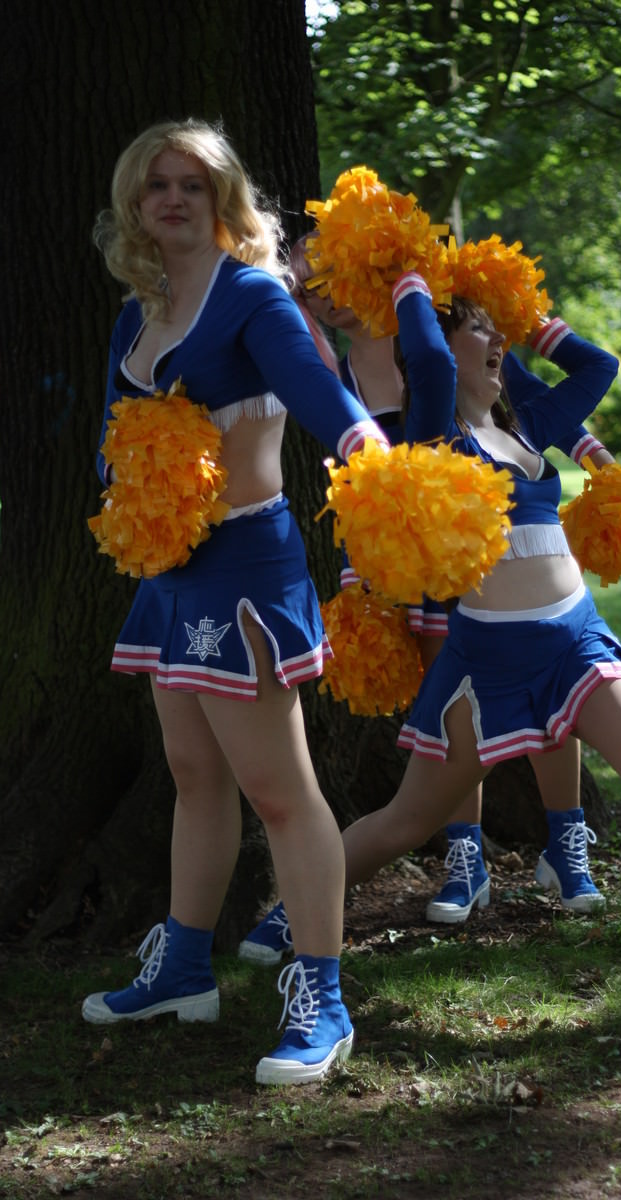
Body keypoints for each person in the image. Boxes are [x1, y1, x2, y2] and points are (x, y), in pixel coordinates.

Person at [332, 268, 621, 1024]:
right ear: (442, 347)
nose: (496, 339)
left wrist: (527, 319)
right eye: (478, 329)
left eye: (497, 330)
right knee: (408, 820)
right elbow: (424, 358)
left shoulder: (530, 419)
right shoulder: (433, 436)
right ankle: (297, 910)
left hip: (576, 640)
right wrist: (413, 279)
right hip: (485, 662)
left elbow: (599, 367)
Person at [80, 119, 393, 1086]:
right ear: (135, 202)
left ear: (222, 200)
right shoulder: (139, 313)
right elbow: (113, 437)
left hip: (247, 567)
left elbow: (314, 389)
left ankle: (323, 996)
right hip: (170, 572)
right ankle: (183, 968)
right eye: (158, 185)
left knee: (279, 791)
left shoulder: (251, 292)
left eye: (194, 184)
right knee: (192, 773)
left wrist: (362, 446)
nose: (174, 198)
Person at [237, 245, 615, 972]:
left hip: (489, 554)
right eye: (310, 290)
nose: (328, 296)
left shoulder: (440, 328)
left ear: (373, 270)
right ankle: (465, 859)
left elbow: (519, 410)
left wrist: (590, 449)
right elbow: (358, 473)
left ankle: (566, 839)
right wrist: (363, 575)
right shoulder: (331, 368)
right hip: (413, 563)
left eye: (337, 275)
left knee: (548, 688)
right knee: (447, 713)